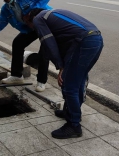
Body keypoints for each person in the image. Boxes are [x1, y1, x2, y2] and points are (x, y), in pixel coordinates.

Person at [23, 8, 103, 139]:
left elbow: (49, 44)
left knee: (69, 85)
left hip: (84, 42)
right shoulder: (53, 15)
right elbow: (66, 45)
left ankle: (74, 125)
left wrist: (60, 67)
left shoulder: (38, 19)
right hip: (95, 39)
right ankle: (70, 113)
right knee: (78, 80)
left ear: (28, 16)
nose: (29, 27)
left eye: (26, 22)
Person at [0, 0, 52, 92]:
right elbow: (0, 23)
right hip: (30, 28)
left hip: (44, 24)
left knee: (44, 51)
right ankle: (16, 76)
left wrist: (35, 10)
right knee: (18, 43)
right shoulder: (6, 9)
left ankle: (41, 81)